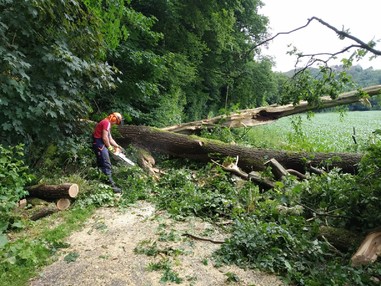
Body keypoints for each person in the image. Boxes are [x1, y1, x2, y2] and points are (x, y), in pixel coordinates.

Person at [92, 112, 124, 193]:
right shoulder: (106, 123)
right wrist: (110, 147)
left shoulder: (107, 123)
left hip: (101, 144)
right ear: (113, 118)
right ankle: (112, 187)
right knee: (106, 164)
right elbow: (105, 138)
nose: (115, 124)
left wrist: (118, 146)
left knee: (103, 164)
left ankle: (102, 185)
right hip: (100, 145)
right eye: (116, 121)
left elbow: (110, 139)